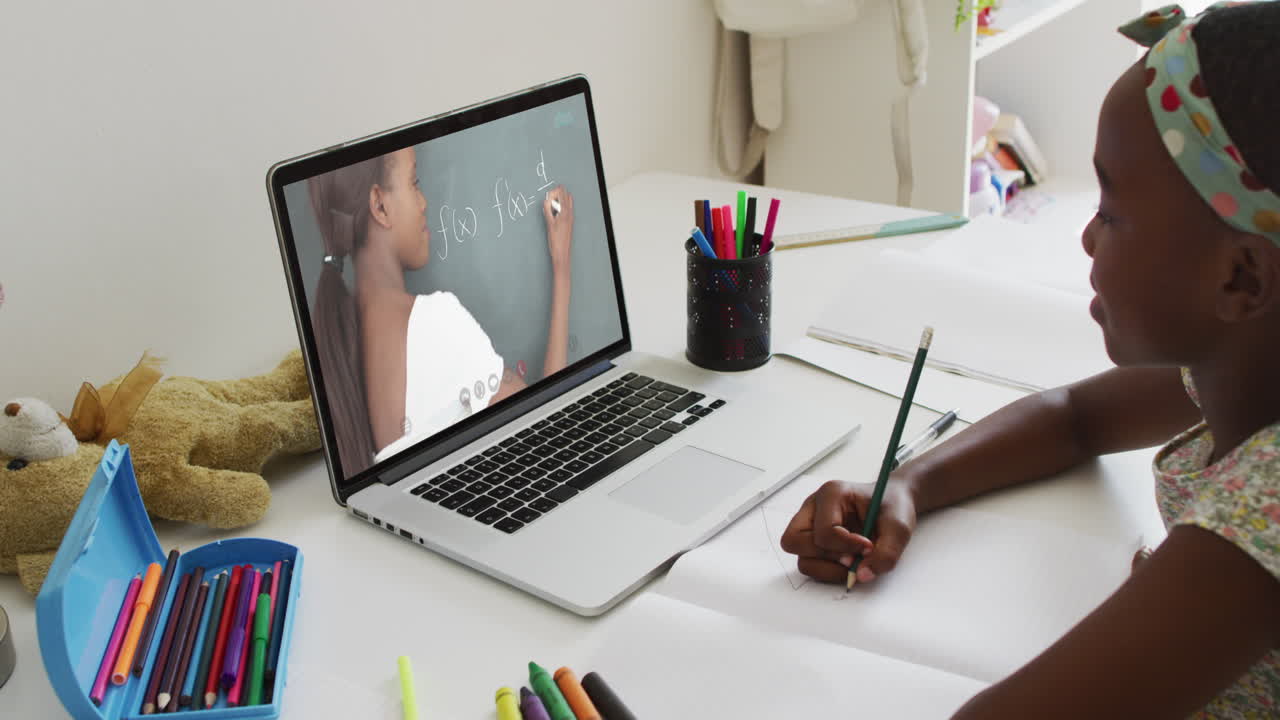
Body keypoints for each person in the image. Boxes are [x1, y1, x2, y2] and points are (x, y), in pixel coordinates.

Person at [780, 3, 1280, 717]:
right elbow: (1074, 417)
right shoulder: (1248, 359)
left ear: (1242, 279)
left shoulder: (1260, 520)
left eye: (1111, 211)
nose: (1085, 237)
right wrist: (910, 485)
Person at [308, 147, 574, 476]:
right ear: (379, 205)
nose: (424, 203)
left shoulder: (340, 343)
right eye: (414, 182)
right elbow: (547, 433)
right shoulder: (435, 323)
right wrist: (561, 266)